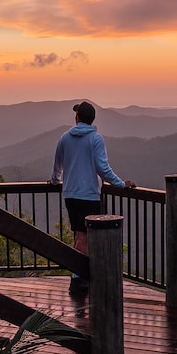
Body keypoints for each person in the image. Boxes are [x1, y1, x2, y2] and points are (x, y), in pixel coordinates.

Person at [50, 101, 135, 294]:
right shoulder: (96, 139)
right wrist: (121, 184)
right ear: (92, 119)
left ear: (77, 117)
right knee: (84, 236)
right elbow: (103, 169)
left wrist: (55, 181)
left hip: (70, 194)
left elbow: (57, 166)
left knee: (81, 235)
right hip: (89, 194)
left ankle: (79, 276)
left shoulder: (65, 138)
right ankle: (78, 279)